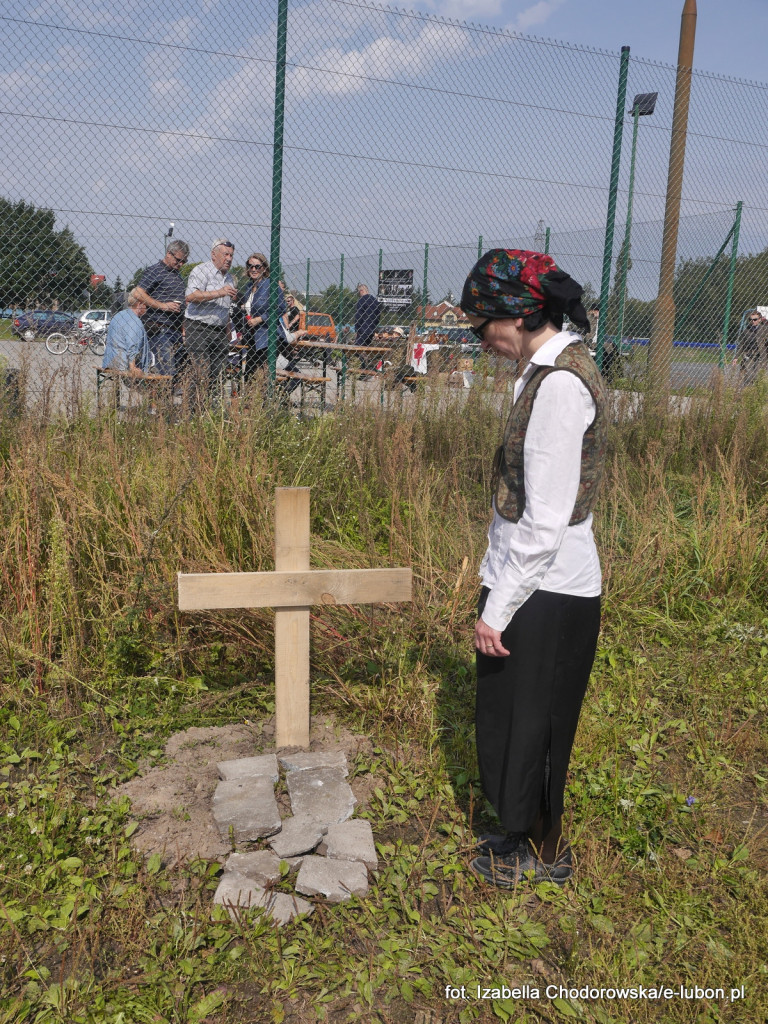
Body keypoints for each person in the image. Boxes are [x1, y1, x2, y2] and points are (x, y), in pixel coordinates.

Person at [460, 249, 608, 888]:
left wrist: (499, 607)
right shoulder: (545, 370)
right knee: (517, 712)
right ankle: (520, 834)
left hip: (547, 586)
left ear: (520, 315)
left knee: (535, 718)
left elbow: (546, 518)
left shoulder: (561, 386)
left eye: (483, 324)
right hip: (537, 580)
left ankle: (536, 852)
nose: (480, 339)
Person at [184, 238, 237, 400]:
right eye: (225, 254)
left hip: (220, 331)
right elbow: (191, 296)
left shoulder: (230, 278)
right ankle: (193, 410)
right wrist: (219, 292)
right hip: (199, 327)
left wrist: (228, 329)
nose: (229, 258)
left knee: (217, 373)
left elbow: (226, 307)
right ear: (214, 255)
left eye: (231, 255)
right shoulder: (201, 271)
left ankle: (208, 409)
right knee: (202, 371)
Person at [133, 240, 189, 380]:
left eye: (184, 261)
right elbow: (138, 293)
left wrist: (183, 329)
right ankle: (161, 399)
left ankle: (166, 397)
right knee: (166, 373)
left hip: (175, 330)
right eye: (178, 260)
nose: (181, 264)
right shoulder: (155, 271)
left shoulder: (177, 275)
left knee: (178, 371)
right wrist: (164, 306)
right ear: (168, 254)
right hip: (160, 330)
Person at [236, 252, 286, 383]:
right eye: (250, 266)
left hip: (268, 336)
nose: (253, 269)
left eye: (257, 266)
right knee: (249, 376)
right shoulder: (248, 287)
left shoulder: (271, 285)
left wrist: (260, 319)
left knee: (263, 376)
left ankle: (267, 401)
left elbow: (281, 308)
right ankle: (251, 402)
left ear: (264, 268)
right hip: (253, 336)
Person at [102, 288, 152, 374]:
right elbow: (133, 345)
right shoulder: (135, 321)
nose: (147, 308)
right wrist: (133, 367)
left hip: (109, 362)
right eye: (146, 305)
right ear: (140, 304)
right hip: (123, 365)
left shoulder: (119, 315)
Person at [738, 310, 768, 384]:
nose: (752, 321)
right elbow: (741, 344)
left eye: (755, 319)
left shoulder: (764, 329)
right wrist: (736, 356)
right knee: (748, 375)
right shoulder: (746, 331)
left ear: (760, 320)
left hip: (761, 355)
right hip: (748, 355)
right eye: (750, 320)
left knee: (759, 375)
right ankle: (748, 389)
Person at [354, 283, 381, 367]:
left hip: (363, 329)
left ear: (362, 291)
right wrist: (373, 326)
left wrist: (357, 329)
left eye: (359, 292)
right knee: (365, 349)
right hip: (371, 330)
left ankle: (364, 365)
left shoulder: (362, 300)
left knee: (355, 349)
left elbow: (359, 316)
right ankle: (366, 368)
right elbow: (378, 316)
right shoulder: (375, 301)